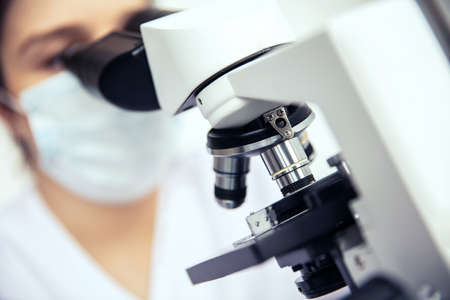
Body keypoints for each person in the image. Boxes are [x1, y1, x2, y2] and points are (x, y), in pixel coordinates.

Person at [0, 0, 320, 299]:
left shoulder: (262, 179)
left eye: (134, 32)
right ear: (6, 109)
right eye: (61, 55)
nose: (119, 72)